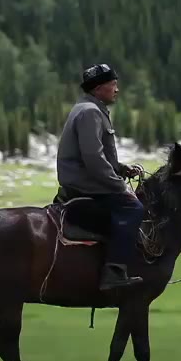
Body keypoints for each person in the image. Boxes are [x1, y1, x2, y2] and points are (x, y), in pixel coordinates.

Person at [55, 63, 146, 291]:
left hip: (84, 179)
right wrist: (120, 186)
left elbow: (98, 154)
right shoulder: (90, 112)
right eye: (112, 85)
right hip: (85, 183)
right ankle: (114, 271)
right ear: (98, 88)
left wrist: (121, 169)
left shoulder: (87, 108)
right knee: (133, 209)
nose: (117, 89)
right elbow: (93, 159)